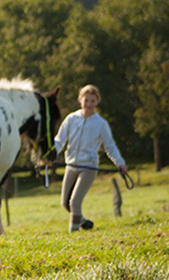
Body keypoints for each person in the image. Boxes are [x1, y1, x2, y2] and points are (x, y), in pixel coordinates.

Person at [51, 84, 127, 233]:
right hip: (71, 165)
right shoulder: (71, 119)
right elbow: (59, 141)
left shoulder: (101, 124)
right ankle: (84, 222)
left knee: (75, 201)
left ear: (97, 102)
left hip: (89, 167)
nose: (89, 104)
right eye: (86, 100)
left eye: (92, 101)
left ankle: (73, 234)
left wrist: (120, 163)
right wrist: (50, 155)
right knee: (65, 203)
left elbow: (110, 146)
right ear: (80, 100)